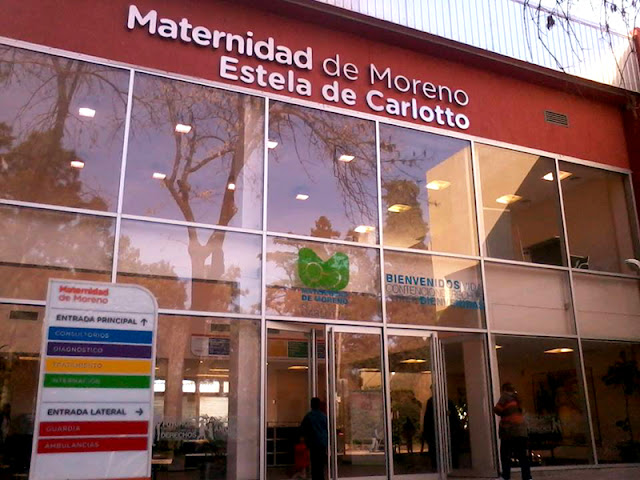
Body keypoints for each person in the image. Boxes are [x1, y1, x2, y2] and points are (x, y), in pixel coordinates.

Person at [494, 383, 532, 480]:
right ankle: (527, 477)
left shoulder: (505, 397)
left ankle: (506, 476)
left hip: (509, 431)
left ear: (504, 389)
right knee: (523, 456)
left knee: (505, 455)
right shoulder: (517, 399)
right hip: (521, 431)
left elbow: (497, 410)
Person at [301, 397, 328, 480]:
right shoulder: (323, 416)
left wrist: (306, 440)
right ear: (319, 405)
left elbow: (303, 429)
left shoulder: (309, 416)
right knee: (321, 465)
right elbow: (327, 428)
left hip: (313, 444)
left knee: (314, 465)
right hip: (322, 443)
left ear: (311, 405)